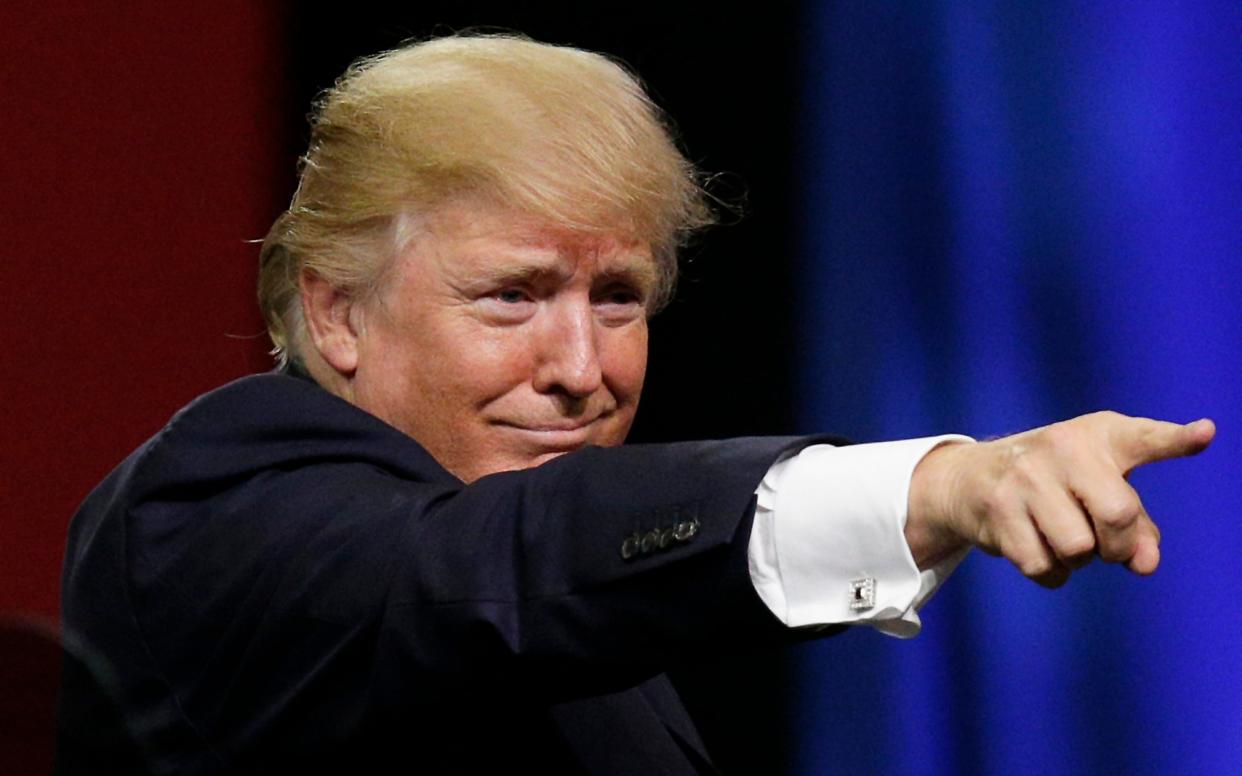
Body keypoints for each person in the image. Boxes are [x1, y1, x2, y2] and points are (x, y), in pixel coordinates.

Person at [60, 34, 1215, 775]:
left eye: (619, 296)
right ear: (337, 316)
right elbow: (481, 567)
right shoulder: (215, 510)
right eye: (509, 296)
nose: (581, 364)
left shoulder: (593, 610)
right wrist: (926, 483)